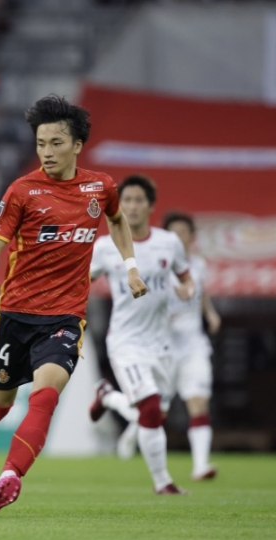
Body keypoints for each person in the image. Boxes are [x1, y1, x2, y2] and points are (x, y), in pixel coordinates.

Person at [0, 95, 148, 515]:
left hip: (64, 317)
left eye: (56, 143)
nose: (47, 152)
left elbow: (116, 220)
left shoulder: (100, 187)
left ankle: (10, 476)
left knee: (45, 396)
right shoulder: (23, 190)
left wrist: (131, 266)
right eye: (41, 143)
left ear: (77, 145)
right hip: (15, 314)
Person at [88, 174, 195, 495]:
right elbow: (81, 282)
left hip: (162, 344)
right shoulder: (106, 248)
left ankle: (107, 396)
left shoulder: (169, 243)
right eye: (127, 200)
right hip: (126, 341)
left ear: (150, 206)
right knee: (148, 409)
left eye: (138, 200)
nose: (132, 207)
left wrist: (188, 290)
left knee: (155, 414)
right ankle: (163, 483)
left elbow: (186, 277)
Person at [164, 211, 221, 480]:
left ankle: (201, 465)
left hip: (193, 344)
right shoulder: (157, 264)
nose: (179, 238)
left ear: (191, 237)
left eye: (184, 233)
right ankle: (116, 408)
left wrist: (209, 312)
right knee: (153, 409)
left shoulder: (198, 264)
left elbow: (202, 292)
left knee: (198, 402)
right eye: (174, 233)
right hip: (162, 344)